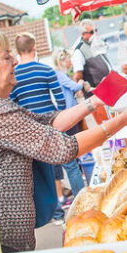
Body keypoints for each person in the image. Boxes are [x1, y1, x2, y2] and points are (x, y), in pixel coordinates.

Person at [0, 27, 127, 253]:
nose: (14, 61)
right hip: (2, 242)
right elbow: (65, 148)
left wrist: (95, 101)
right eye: (6, 57)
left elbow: (48, 123)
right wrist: (124, 120)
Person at [9, 32, 70, 224]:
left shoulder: (14, 75)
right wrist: (60, 116)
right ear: (35, 48)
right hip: (51, 125)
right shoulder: (46, 70)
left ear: (17, 51)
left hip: (28, 128)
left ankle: (46, 211)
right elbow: (60, 98)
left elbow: (13, 103)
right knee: (58, 167)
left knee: (37, 170)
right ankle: (61, 208)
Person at [53, 48, 90, 201]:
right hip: (68, 116)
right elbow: (74, 87)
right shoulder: (59, 75)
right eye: (67, 60)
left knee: (74, 156)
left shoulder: (60, 74)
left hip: (70, 114)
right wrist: (81, 83)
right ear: (61, 61)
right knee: (72, 158)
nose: (70, 62)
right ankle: (80, 194)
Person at [71, 20, 111, 88]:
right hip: (96, 89)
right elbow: (78, 75)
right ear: (83, 34)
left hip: (109, 83)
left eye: (95, 30)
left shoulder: (97, 43)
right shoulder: (79, 50)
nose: (95, 33)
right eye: (92, 32)